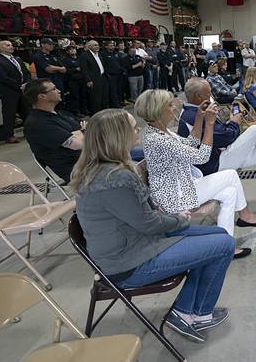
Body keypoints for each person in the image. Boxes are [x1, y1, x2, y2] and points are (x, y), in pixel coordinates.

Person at [72, 108, 234, 343]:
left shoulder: (106, 168)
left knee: (218, 235)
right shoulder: (114, 177)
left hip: (135, 244)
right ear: (118, 135)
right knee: (224, 243)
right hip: (129, 263)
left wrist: (170, 213)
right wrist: (186, 216)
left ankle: (188, 311)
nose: (138, 130)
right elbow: (148, 223)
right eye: (133, 128)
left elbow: (142, 215)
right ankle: (192, 313)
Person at [136, 89, 256, 259]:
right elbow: (201, 157)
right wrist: (208, 125)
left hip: (181, 187)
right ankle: (244, 215)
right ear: (159, 111)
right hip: (175, 197)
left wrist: (199, 117)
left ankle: (226, 246)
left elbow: (190, 143)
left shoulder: (159, 132)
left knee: (230, 193)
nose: (173, 107)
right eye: (169, 105)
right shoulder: (159, 139)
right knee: (231, 175)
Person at [179, 78, 256, 208]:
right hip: (214, 163)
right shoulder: (194, 116)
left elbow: (217, 135)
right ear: (198, 96)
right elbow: (226, 137)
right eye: (208, 93)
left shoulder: (192, 112)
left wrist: (229, 123)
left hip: (217, 156)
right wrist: (234, 122)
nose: (211, 96)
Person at [22, 79, 83, 181]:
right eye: (54, 89)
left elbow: (85, 128)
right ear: (42, 96)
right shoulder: (37, 123)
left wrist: (77, 133)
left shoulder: (60, 114)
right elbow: (77, 144)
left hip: (87, 160)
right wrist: (81, 132)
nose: (59, 91)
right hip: (76, 169)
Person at [0, 39, 31, 143]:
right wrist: (19, 86)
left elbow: (26, 72)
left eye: (11, 45)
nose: (11, 47)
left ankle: (29, 132)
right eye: (8, 45)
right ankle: (9, 135)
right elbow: (3, 78)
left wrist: (26, 83)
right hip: (9, 92)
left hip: (22, 90)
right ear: (1, 48)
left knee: (26, 112)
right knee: (9, 114)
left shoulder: (17, 59)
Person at [79, 40, 109, 114]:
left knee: (104, 97)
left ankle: (104, 114)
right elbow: (84, 69)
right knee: (95, 99)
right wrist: (88, 80)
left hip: (102, 77)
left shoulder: (99, 54)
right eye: (95, 45)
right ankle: (96, 114)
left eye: (97, 45)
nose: (97, 46)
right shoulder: (84, 55)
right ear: (89, 46)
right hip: (93, 80)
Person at [61, 45, 89, 117]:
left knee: (83, 95)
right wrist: (75, 69)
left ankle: (84, 110)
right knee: (75, 96)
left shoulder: (80, 58)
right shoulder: (65, 60)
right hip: (72, 81)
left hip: (82, 80)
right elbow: (65, 70)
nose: (73, 50)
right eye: (71, 50)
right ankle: (76, 112)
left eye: (74, 49)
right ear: (67, 52)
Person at [100, 41, 124, 108]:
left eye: (113, 45)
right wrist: (107, 74)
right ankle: (115, 105)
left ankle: (119, 102)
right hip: (111, 75)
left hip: (119, 74)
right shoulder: (103, 54)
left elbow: (121, 63)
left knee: (119, 90)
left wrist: (122, 70)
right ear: (106, 46)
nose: (112, 47)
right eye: (110, 45)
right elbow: (104, 65)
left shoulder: (116, 53)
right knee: (113, 91)